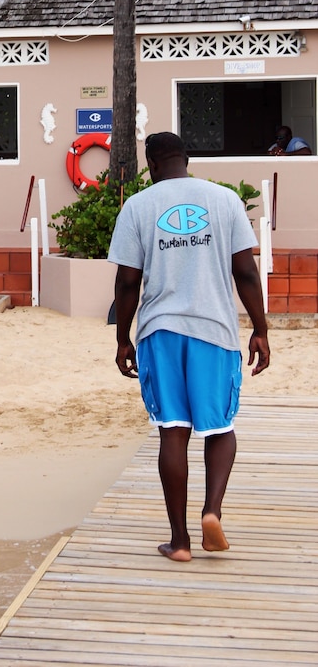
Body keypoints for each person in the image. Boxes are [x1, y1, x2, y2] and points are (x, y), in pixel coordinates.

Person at [108, 132, 270, 563]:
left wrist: (123, 338)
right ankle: (212, 510)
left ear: (151, 164)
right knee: (219, 428)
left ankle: (179, 542)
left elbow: (127, 282)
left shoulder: (137, 206)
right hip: (214, 330)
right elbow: (245, 272)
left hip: (160, 332)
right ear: (187, 159)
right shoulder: (225, 200)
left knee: (173, 431)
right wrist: (260, 329)